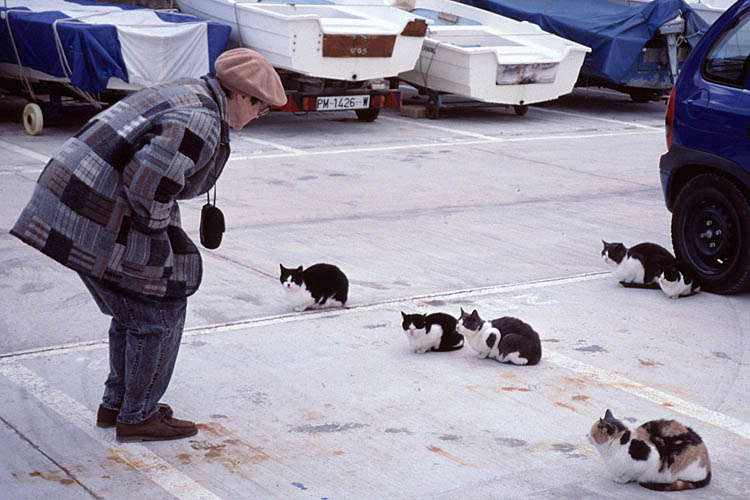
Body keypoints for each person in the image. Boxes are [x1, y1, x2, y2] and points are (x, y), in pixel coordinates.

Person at [10, 48, 286, 442]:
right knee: (159, 309)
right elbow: (146, 188)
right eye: (262, 108)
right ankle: (137, 416)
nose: (259, 117)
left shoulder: (193, 92)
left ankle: (118, 404)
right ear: (242, 96)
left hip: (74, 200)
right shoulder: (202, 119)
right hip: (86, 210)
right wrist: (158, 242)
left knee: (134, 304)